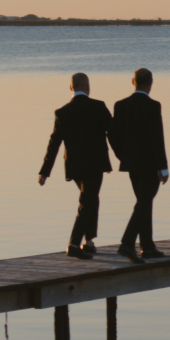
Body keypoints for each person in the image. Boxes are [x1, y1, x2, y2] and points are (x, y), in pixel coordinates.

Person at [39, 73, 114, 259]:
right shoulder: (98, 107)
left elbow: (54, 143)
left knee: (90, 199)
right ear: (88, 87)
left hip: (74, 166)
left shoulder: (62, 112)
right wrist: (126, 157)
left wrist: (44, 172)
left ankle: (88, 242)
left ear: (70, 88)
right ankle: (73, 244)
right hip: (96, 164)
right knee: (87, 201)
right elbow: (114, 132)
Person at [109, 68, 169, 263]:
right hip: (150, 164)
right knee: (144, 202)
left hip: (131, 164)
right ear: (150, 82)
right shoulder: (153, 106)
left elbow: (112, 135)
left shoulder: (120, 105)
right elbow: (157, 138)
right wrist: (163, 167)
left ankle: (147, 246)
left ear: (132, 82)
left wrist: (123, 156)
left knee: (143, 202)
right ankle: (127, 243)